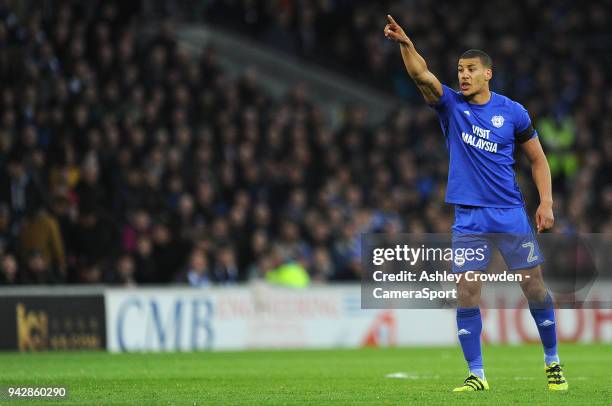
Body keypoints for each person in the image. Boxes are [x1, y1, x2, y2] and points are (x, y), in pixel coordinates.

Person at [384, 15, 567, 392]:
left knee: (533, 287)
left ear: (488, 73)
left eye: (470, 70)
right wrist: (407, 45)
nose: (463, 75)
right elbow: (423, 76)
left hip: (509, 213)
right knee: (466, 290)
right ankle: (477, 374)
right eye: (459, 70)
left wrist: (545, 202)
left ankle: (553, 363)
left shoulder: (513, 112)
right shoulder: (451, 105)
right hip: (469, 217)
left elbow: (538, 159)